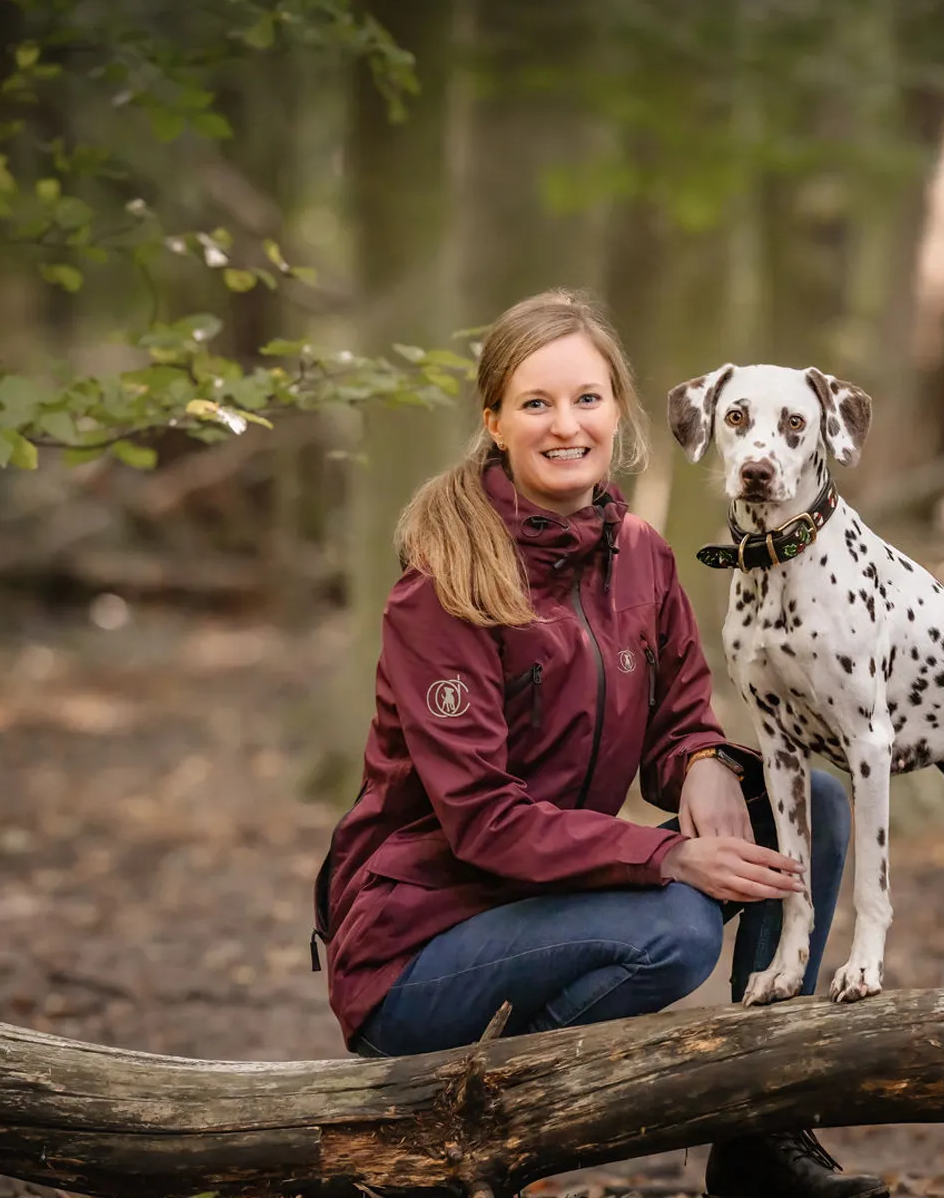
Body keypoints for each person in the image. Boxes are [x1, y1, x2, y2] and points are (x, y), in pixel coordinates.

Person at [311, 290, 887, 1198]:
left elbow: (679, 715)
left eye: (587, 399)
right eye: (536, 403)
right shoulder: (445, 585)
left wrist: (698, 760)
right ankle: (482, 1134)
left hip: (552, 908)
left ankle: (762, 1131)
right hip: (419, 952)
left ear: (618, 413)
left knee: (806, 805)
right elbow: (484, 823)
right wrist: (667, 854)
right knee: (675, 929)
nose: (565, 424)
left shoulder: (642, 555)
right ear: (494, 421)